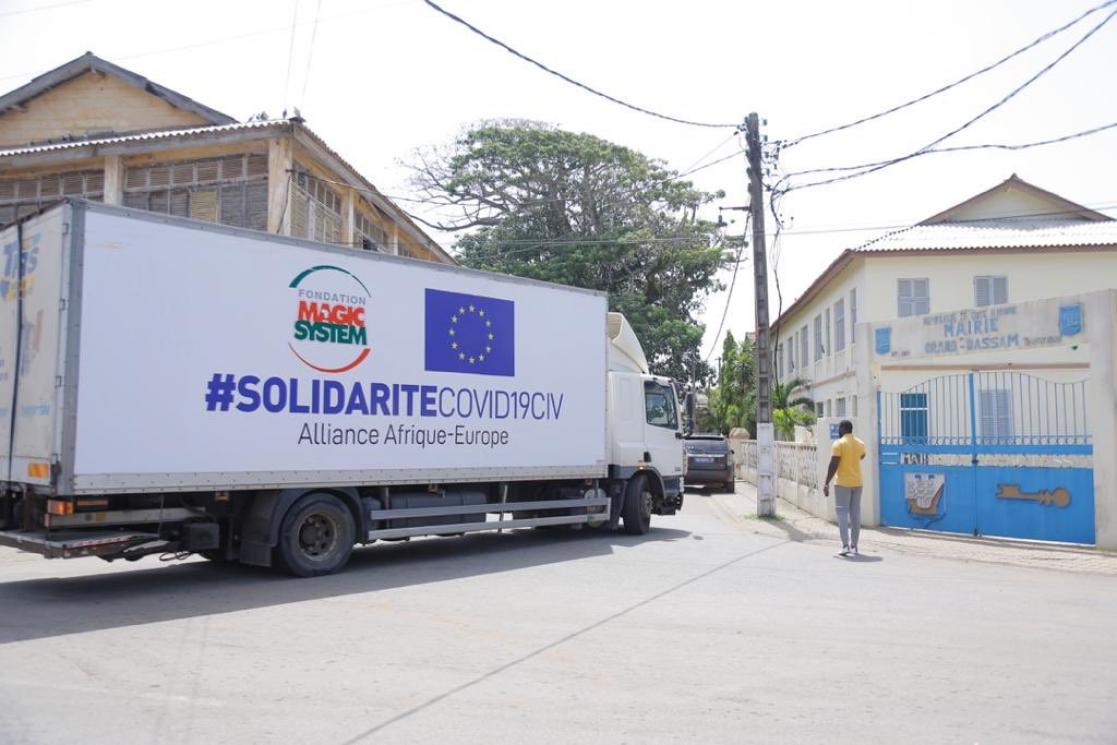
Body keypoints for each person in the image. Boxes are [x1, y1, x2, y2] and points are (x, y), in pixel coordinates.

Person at [823, 420, 866, 557]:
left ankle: (845, 545)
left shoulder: (838, 444)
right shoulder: (860, 443)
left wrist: (826, 483)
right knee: (855, 514)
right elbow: (862, 456)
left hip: (842, 483)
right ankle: (854, 545)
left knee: (842, 513)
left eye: (839, 428)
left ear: (842, 429)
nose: (838, 431)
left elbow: (833, 464)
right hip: (858, 482)